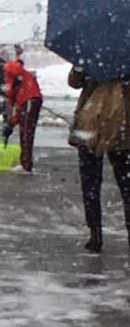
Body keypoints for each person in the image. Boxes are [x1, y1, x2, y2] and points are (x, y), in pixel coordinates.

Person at [68, 67, 130, 253]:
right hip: (122, 127)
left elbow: (74, 82)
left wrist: (82, 68)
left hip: (91, 126)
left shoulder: (91, 51)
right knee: (126, 184)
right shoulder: (125, 55)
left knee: (91, 184)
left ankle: (95, 234)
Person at [2, 60, 42, 173]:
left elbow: (11, 97)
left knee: (26, 133)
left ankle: (26, 165)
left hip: (28, 101)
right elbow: (16, 104)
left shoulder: (11, 76)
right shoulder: (24, 74)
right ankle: (25, 162)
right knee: (26, 131)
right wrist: (12, 122)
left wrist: (10, 122)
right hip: (34, 100)